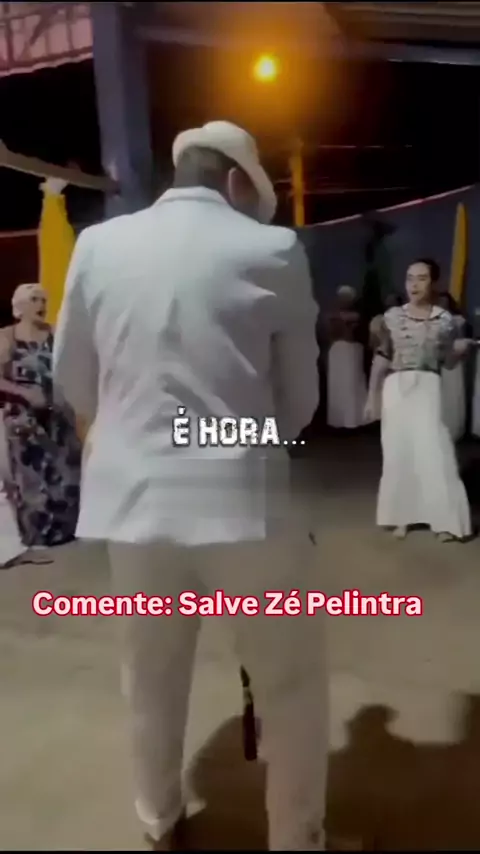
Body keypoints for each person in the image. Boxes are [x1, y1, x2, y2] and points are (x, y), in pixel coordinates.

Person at [53, 121, 327, 851]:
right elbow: (300, 402)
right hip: (244, 509)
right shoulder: (272, 248)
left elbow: (72, 379)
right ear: (237, 181)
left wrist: (138, 438)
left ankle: (159, 820)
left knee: (150, 679)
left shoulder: (98, 246)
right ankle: (295, 838)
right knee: (290, 686)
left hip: (133, 510)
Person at [365, 259, 473, 542]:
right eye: (410, 278)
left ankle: (444, 520)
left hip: (428, 386)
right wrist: (372, 396)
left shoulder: (445, 320)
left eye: (422, 278)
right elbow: (382, 356)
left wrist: (459, 350)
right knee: (398, 452)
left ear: (433, 283)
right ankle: (402, 517)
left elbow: (448, 362)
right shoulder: (391, 317)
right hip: (396, 387)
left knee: (435, 451)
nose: (414, 285)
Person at [0, 283, 81, 548]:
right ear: (19, 306)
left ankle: (67, 535)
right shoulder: (7, 337)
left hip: (58, 417)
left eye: (43, 300)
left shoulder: (55, 334)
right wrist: (24, 393)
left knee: (66, 476)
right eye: (34, 299)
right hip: (25, 420)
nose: (41, 305)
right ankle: (38, 538)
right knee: (33, 482)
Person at [326, 285, 367, 429]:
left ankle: (353, 420)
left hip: (351, 351)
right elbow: (331, 334)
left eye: (346, 298)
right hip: (336, 351)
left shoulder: (355, 316)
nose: (343, 301)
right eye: (341, 298)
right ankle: (339, 421)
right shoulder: (333, 316)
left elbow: (353, 334)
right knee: (338, 385)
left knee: (351, 385)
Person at [366, 294, 403, 423]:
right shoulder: (379, 320)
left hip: (392, 359)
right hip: (383, 357)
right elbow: (372, 343)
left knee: (388, 391)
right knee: (377, 390)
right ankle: (379, 419)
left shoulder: (402, 321)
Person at [436, 291, 467, 442]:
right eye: (440, 301)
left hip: (454, 358)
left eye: (445, 301)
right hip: (440, 360)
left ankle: (454, 428)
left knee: (453, 392)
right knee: (441, 395)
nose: (442, 304)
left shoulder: (458, 320)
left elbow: (461, 339)